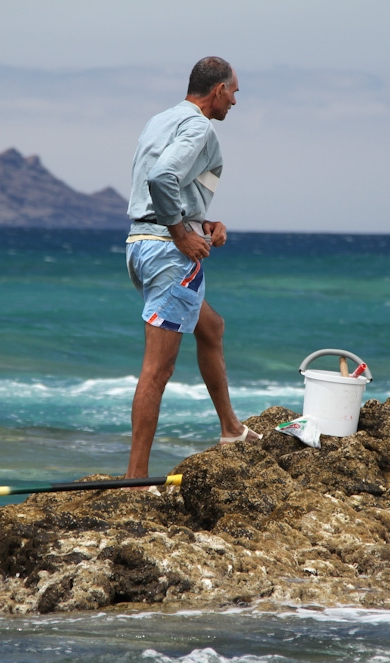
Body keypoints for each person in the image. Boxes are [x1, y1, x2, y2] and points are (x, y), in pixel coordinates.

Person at [124, 56, 260, 480]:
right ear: (218, 90)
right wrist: (182, 233)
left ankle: (231, 429)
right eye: (233, 92)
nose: (235, 101)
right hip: (168, 251)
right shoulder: (200, 127)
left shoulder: (161, 120)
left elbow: (167, 186)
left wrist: (203, 223)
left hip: (141, 244)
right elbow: (162, 177)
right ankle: (135, 481)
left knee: (211, 327)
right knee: (158, 370)